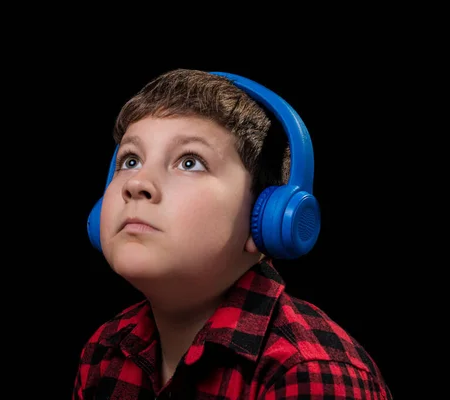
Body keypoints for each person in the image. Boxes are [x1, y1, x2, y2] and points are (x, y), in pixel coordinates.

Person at [73, 69, 392, 399]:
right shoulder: (104, 350)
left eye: (190, 162)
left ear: (266, 216)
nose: (137, 184)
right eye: (130, 160)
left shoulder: (308, 371)